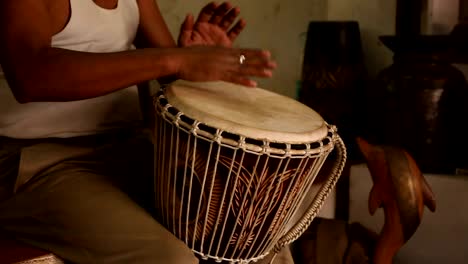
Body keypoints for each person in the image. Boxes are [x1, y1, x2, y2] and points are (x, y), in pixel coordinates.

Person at [0, 0, 295, 263]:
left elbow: (172, 77)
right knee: (169, 259)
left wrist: (198, 58)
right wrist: (176, 59)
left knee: (252, 237)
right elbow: (31, 75)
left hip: (131, 152)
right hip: (38, 164)